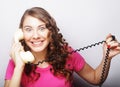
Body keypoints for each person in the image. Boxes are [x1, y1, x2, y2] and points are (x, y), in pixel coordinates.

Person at [4, 7, 120, 87]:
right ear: (21, 34)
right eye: (28, 29)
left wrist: (107, 57)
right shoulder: (17, 62)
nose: (35, 35)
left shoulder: (67, 53)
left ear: (51, 32)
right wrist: (19, 66)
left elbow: (95, 78)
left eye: (42, 28)